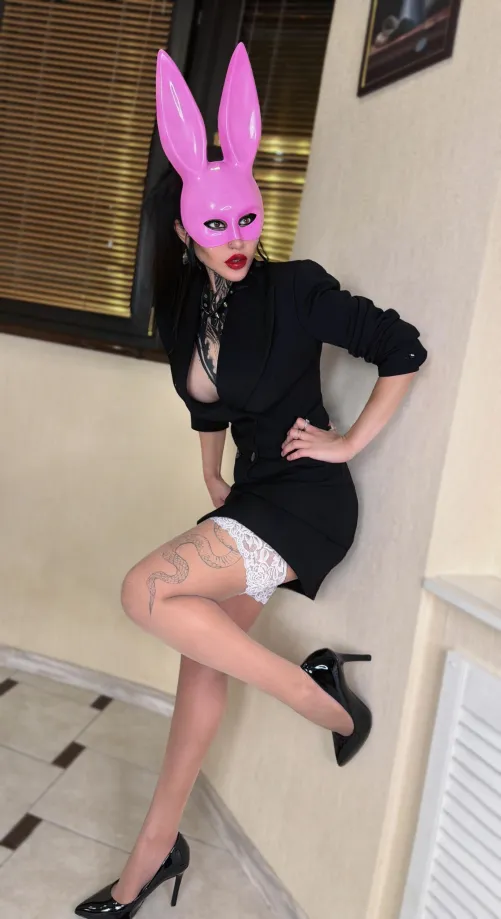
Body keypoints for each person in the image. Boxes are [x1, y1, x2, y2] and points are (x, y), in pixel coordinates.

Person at [75, 43, 427, 917]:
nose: (234, 240)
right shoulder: (184, 309)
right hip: (252, 496)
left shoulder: (296, 290)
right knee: (200, 663)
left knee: (145, 591)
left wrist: (347, 444)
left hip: (306, 500)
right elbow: (207, 403)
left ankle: (318, 698)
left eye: (244, 219)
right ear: (186, 229)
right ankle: (153, 853)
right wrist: (210, 468)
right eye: (215, 225)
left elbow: (401, 349)